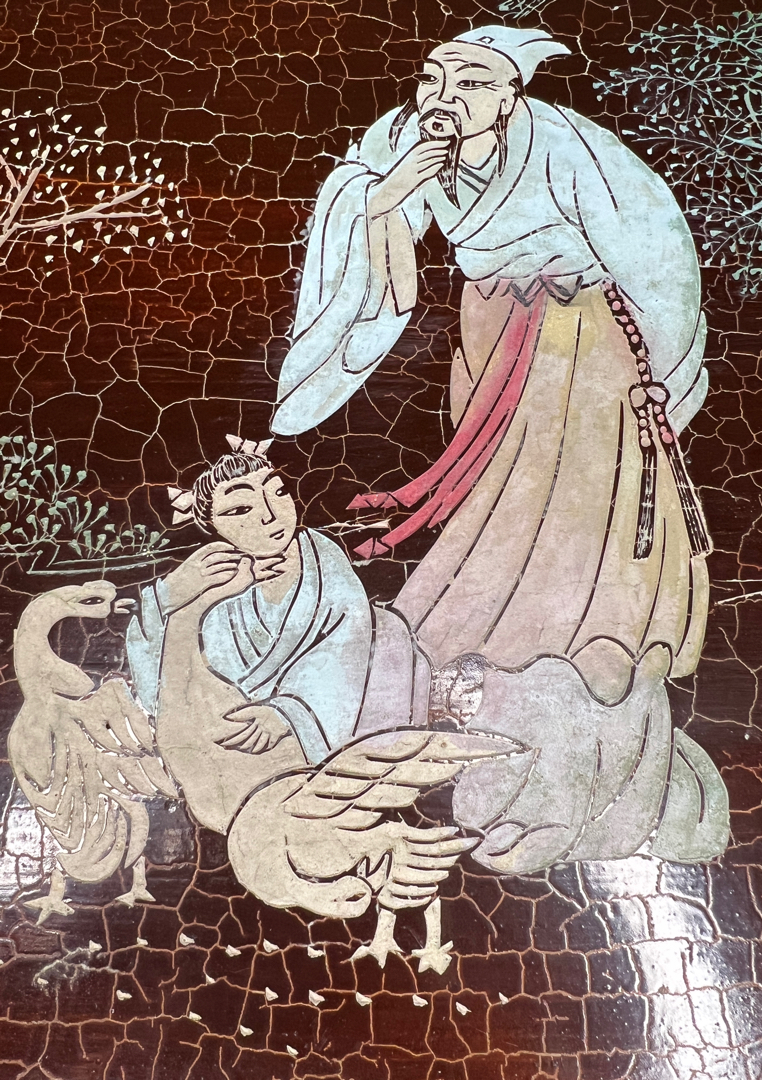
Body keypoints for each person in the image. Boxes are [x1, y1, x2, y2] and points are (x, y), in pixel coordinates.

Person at [270, 26, 712, 711]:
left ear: (510, 96)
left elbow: (652, 245)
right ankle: (495, 617)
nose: (444, 97)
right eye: (432, 79)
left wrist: (665, 360)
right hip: (487, 324)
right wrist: (387, 198)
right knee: (499, 481)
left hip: (578, 331)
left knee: (579, 474)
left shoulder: (563, 145)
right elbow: (391, 282)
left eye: (472, 83)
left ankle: (595, 626)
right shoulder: (402, 141)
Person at [126, 437, 431, 834]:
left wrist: (287, 712)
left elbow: (348, 641)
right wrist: (174, 594)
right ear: (210, 524)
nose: (270, 516)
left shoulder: (321, 557)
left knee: (386, 631)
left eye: (279, 492)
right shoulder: (209, 574)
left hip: (324, 724)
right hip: (238, 741)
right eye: (240, 509)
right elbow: (162, 680)